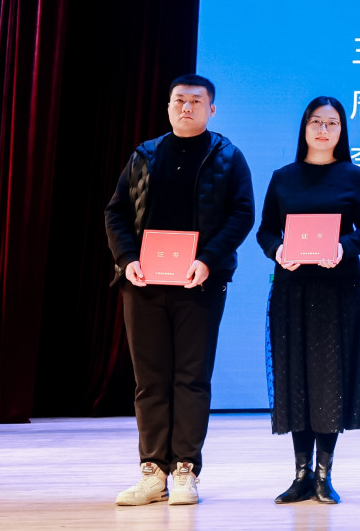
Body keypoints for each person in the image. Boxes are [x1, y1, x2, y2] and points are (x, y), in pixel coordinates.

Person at [104, 74, 255, 506]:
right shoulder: (145, 154)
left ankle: (185, 469)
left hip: (199, 282)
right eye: (179, 100)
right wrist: (127, 259)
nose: (186, 107)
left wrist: (207, 260)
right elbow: (116, 212)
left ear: (212, 109)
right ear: (169, 106)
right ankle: (152, 471)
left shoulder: (227, 156)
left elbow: (242, 214)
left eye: (196, 101)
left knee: (192, 377)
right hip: (144, 282)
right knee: (150, 380)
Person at [254, 96, 360, 505]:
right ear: (304, 127)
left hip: (337, 289)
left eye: (332, 123)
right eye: (316, 122)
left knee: (329, 379)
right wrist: (277, 250)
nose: (323, 130)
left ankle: (324, 474)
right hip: (292, 289)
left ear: (342, 131)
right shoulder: (283, 177)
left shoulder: (354, 175)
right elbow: (265, 231)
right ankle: (301, 475)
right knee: (295, 377)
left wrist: (344, 247)